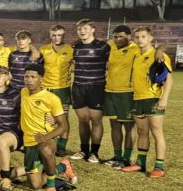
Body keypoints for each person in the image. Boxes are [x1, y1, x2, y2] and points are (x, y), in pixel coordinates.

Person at [13, 63, 73, 191]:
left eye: (33, 77)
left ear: (41, 78)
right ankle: (63, 166)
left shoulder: (51, 98)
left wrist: (46, 136)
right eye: (26, 76)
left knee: (45, 149)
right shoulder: (23, 92)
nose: (29, 80)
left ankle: (51, 188)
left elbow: (63, 125)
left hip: (47, 139)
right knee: (35, 185)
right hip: (29, 142)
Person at [122, 26, 173, 178]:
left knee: (156, 131)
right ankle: (140, 163)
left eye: (143, 36)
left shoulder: (158, 54)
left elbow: (169, 78)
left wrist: (164, 98)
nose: (140, 39)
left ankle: (159, 167)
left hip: (153, 98)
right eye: (137, 37)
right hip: (138, 98)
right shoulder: (137, 54)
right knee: (142, 131)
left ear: (150, 38)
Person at [70, 19, 110, 163]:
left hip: (97, 87)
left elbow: (113, 62)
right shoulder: (75, 46)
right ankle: (83, 150)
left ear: (93, 29)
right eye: (79, 29)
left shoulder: (103, 46)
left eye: (85, 28)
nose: (82, 31)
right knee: (83, 120)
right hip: (79, 87)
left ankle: (95, 152)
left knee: (96, 120)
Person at [102, 25, 140, 168]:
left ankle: (126, 158)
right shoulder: (110, 45)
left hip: (127, 92)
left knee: (129, 126)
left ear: (129, 36)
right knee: (114, 125)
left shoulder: (135, 49)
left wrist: (160, 49)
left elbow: (154, 50)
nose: (118, 39)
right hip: (110, 91)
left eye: (121, 37)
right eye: (115, 36)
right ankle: (117, 156)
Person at [39, 25, 74, 155]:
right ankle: (49, 142)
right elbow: (39, 69)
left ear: (64, 35)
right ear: (50, 35)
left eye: (59, 35)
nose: (56, 37)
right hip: (46, 88)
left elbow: (74, 64)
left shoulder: (70, 49)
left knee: (63, 119)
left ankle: (62, 147)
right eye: (54, 35)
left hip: (62, 89)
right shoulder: (43, 50)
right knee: (47, 117)